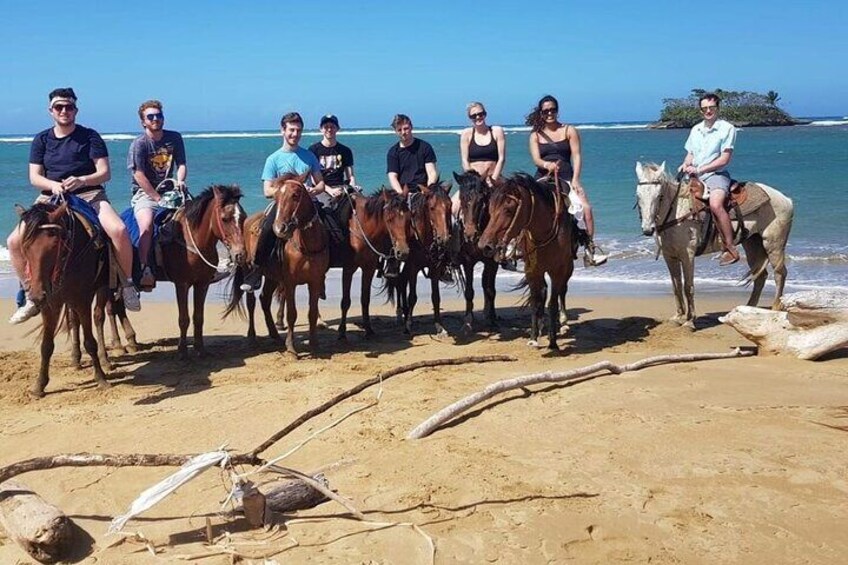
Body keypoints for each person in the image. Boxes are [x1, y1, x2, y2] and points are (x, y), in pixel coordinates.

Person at [7, 88, 140, 324]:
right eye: (59, 107)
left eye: (68, 107)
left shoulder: (90, 136)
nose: (64, 111)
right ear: (51, 111)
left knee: (119, 231)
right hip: (50, 198)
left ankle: (128, 284)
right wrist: (53, 185)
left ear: (76, 110)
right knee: (14, 241)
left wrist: (82, 180)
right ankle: (29, 295)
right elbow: (34, 177)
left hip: (90, 195)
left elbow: (104, 173)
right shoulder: (41, 139)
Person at [241, 112, 326, 291]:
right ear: (283, 131)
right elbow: (267, 190)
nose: (295, 134)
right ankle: (256, 271)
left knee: (331, 226)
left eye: (298, 131)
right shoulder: (273, 159)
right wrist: (284, 193)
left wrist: (313, 190)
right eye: (291, 130)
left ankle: (322, 273)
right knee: (266, 230)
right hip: (282, 205)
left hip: (307, 205)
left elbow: (320, 184)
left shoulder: (309, 156)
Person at [526, 94, 607, 266]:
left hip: (566, 176)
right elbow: (536, 159)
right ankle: (514, 248)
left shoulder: (569, 130)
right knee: (523, 206)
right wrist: (547, 165)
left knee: (586, 209)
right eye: (546, 111)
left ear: (557, 110)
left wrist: (576, 180)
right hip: (542, 177)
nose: (550, 113)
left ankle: (589, 250)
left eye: (553, 110)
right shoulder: (535, 135)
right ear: (541, 113)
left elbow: (576, 156)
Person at [127, 99, 187, 290]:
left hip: (170, 189)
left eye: (158, 116)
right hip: (144, 194)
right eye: (150, 117)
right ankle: (145, 269)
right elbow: (138, 174)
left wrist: (180, 181)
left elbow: (181, 164)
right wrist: (156, 198)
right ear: (143, 121)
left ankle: (206, 264)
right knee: (146, 226)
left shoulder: (174, 138)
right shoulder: (139, 144)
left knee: (198, 217)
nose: (155, 119)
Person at [678, 92, 740, 266]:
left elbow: (724, 159)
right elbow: (690, 154)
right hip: (695, 176)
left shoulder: (727, 128)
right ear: (700, 110)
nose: (708, 111)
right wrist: (685, 164)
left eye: (711, 108)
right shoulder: (695, 129)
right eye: (704, 108)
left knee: (715, 204)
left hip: (716, 175)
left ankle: (730, 248)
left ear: (717, 108)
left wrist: (700, 168)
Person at [454, 101, 506, 215]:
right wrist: (472, 180)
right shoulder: (466, 134)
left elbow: (501, 158)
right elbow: (464, 160)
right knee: (454, 208)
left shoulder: (497, 131)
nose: (478, 117)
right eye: (474, 115)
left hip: (494, 179)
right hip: (473, 182)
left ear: (485, 114)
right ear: (470, 118)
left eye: (481, 114)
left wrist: (493, 179)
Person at [386, 114, 438, 194]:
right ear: (396, 132)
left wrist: (427, 190)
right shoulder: (393, 152)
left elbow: (432, 172)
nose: (403, 132)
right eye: (399, 130)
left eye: (406, 128)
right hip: (403, 192)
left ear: (411, 127)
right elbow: (392, 177)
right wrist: (402, 194)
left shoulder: (425, 147)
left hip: (424, 189)